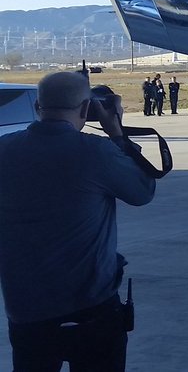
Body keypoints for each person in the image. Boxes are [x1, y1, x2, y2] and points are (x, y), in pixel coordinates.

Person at [0, 71, 156, 371]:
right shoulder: (96, 152)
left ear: (37, 107)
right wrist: (118, 135)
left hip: (26, 309)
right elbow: (142, 192)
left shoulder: (4, 150)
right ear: (86, 109)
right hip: (90, 308)